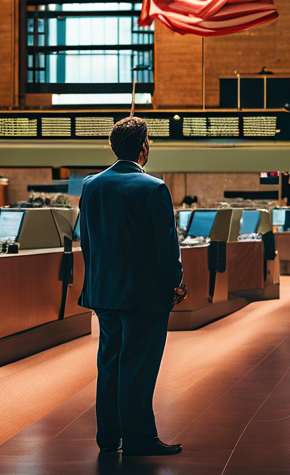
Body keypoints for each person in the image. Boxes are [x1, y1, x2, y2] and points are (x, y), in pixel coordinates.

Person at [78, 118, 187, 457]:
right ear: (143, 147)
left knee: (110, 363)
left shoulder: (91, 185)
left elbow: (87, 241)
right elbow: (165, 246)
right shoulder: (153, 188)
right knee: (138, 367)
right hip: (144, 297)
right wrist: (175, 282)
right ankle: (140, 438)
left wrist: (97, 281)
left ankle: (109, 437)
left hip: (103, 292)